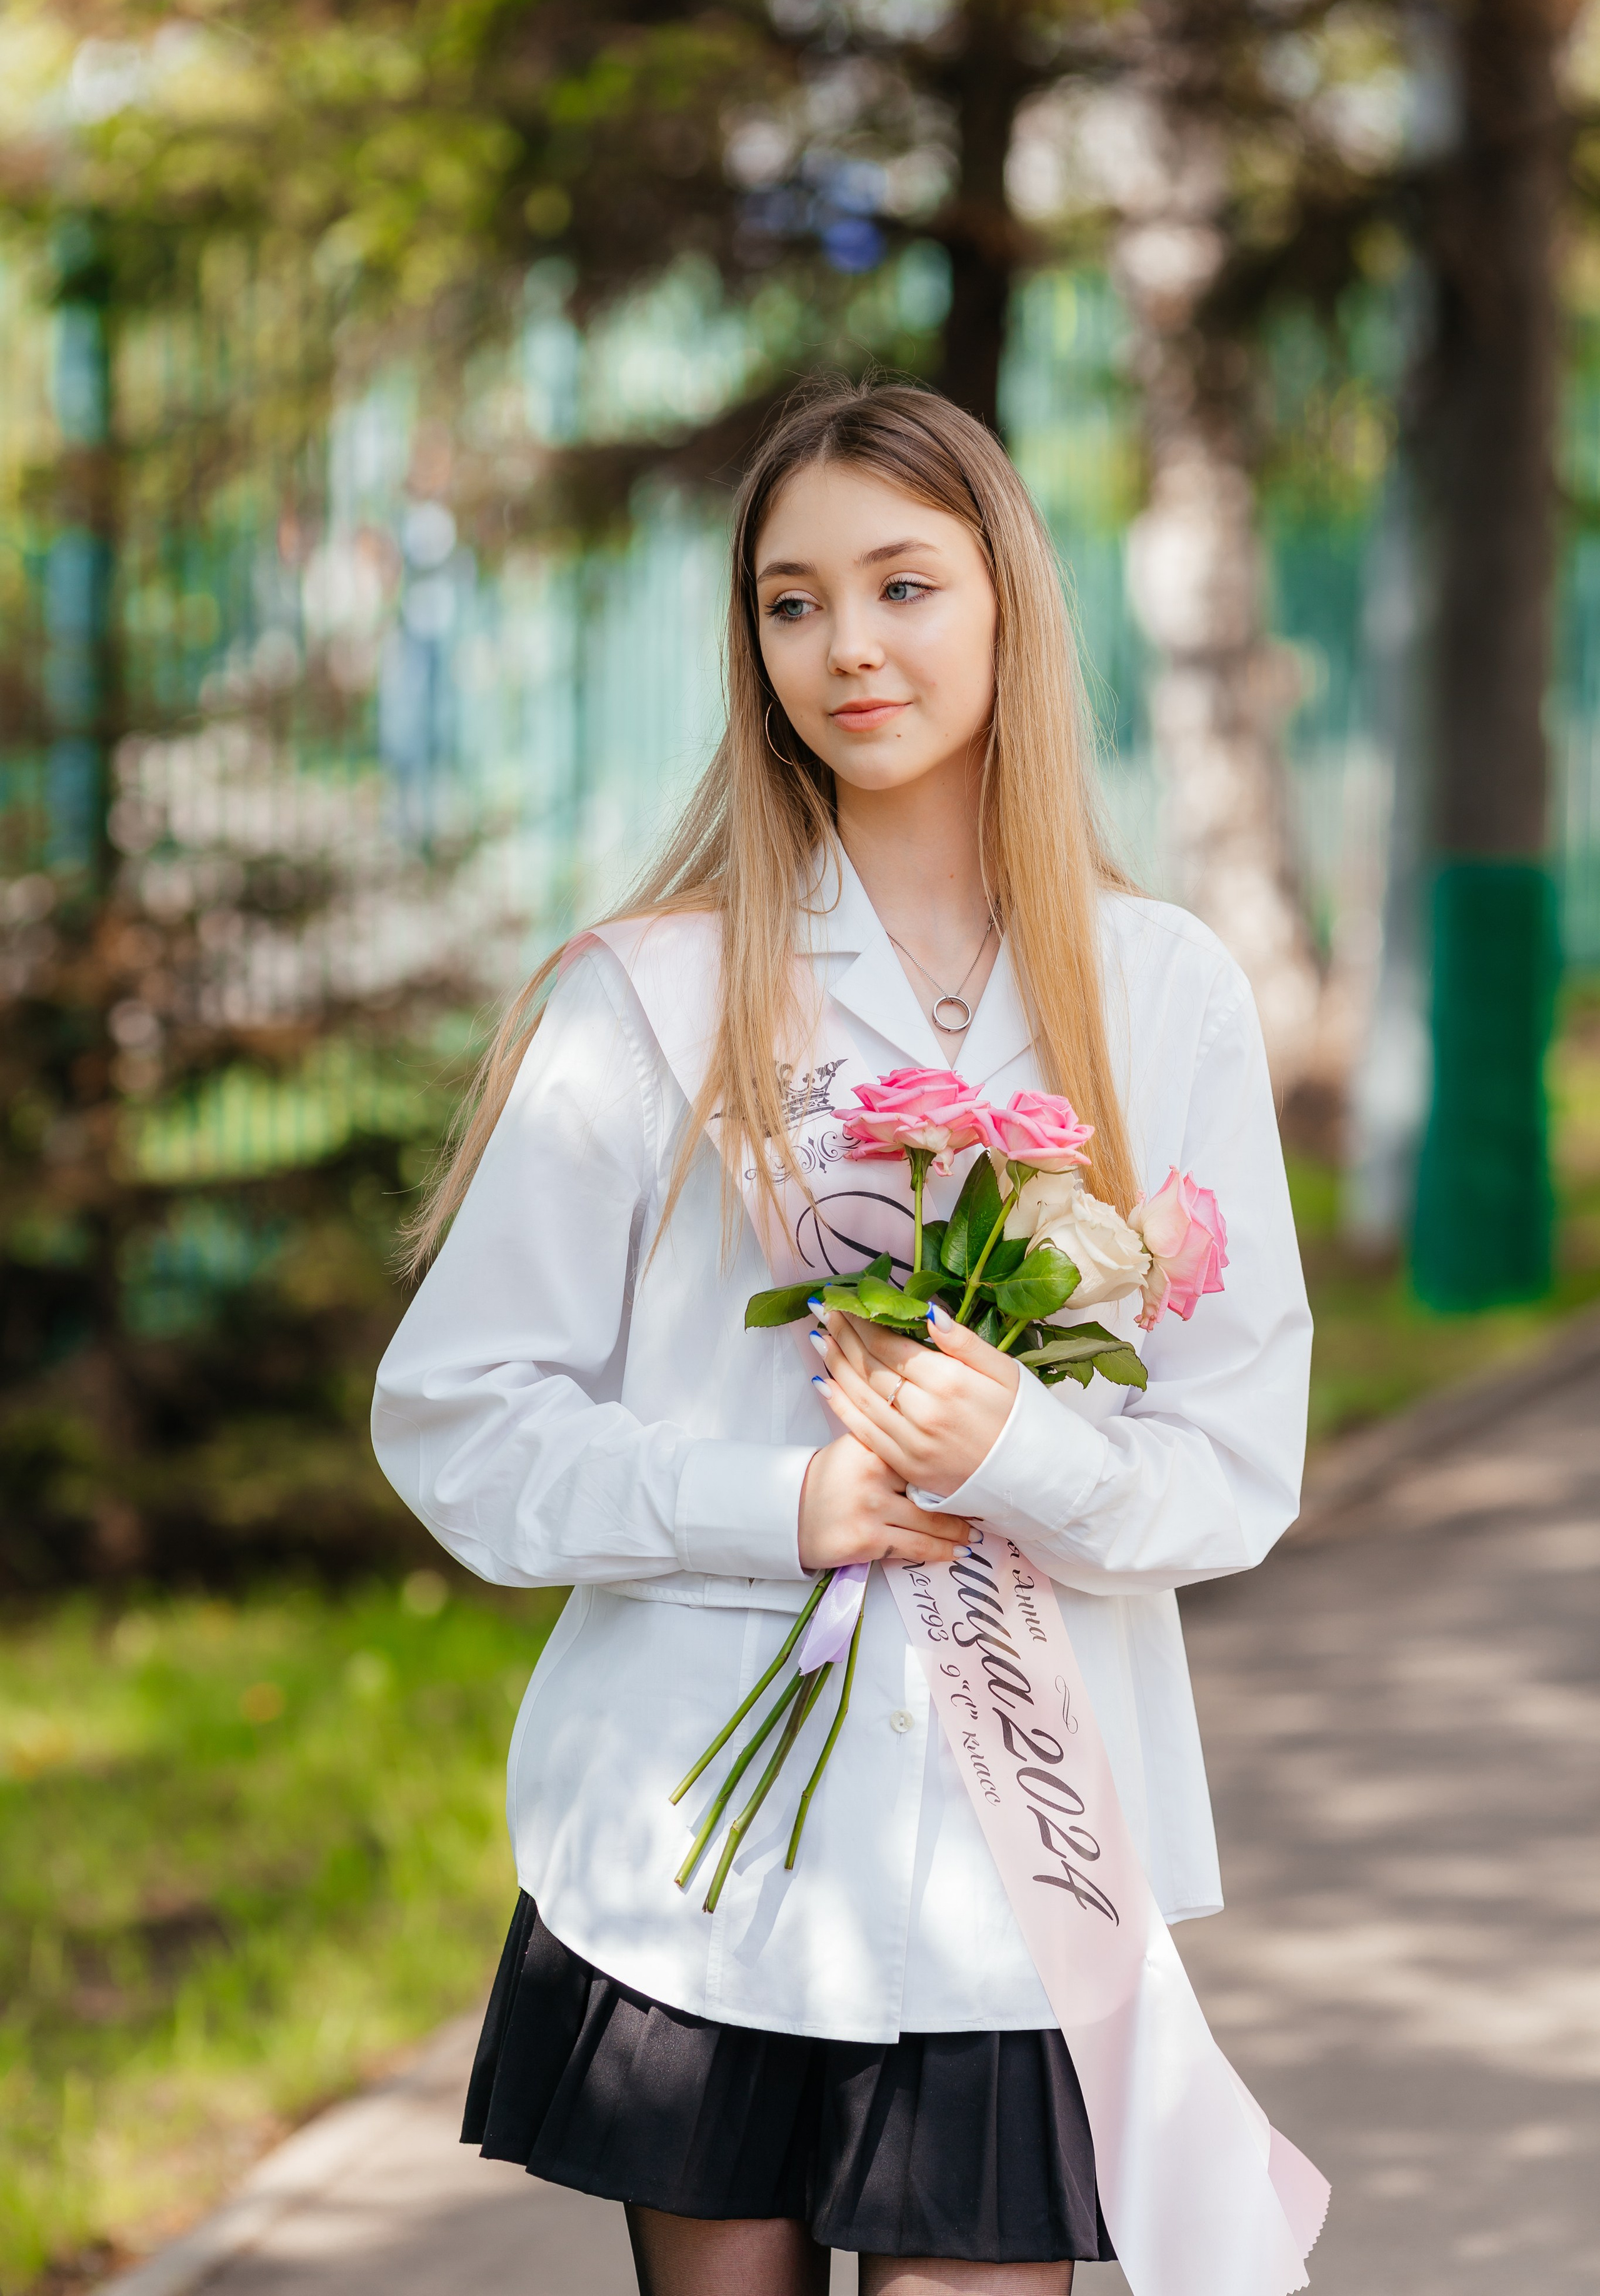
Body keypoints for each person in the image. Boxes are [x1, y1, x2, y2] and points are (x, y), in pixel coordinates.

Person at [371, 381, 1312, 2296]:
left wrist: (1016, 1452)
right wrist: (781, 1496)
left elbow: (1239, 1462)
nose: (848, 646)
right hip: (701, 1859)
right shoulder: (661, 991)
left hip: (1016, 1879)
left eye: (902, 584)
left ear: (1007, 608)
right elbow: (459, 1419)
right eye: (791, 603)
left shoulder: (1165, 993)